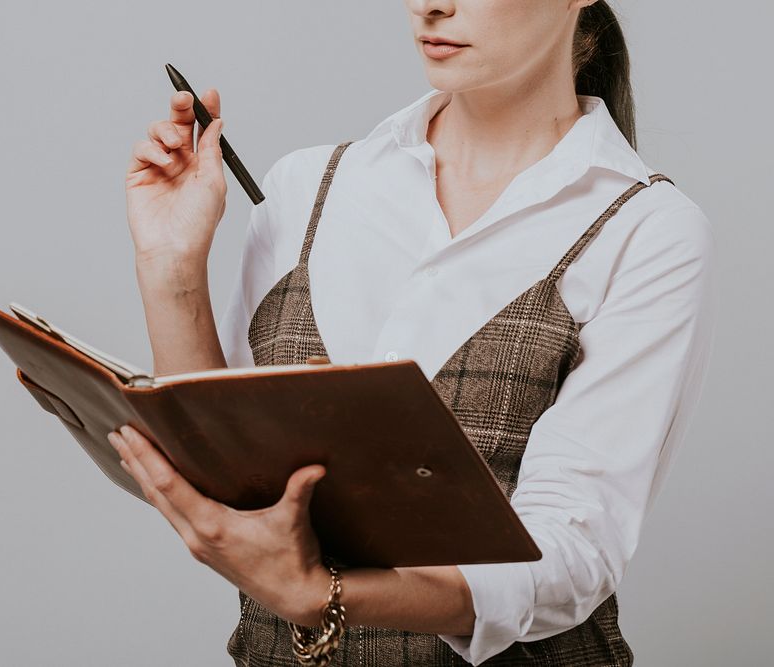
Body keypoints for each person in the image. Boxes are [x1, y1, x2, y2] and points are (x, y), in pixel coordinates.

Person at [113, 0, 717, 664]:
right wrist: (170, 265)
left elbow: (571, 552)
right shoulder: (304, 190)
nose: (431, 4)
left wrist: (325, 592)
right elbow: (226, 469)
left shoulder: (646, 230)